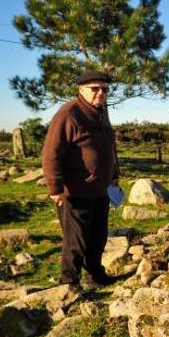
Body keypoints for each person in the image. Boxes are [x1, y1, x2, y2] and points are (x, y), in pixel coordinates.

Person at [41, 70, 120, 288]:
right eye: (95, 89)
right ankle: (68, 284)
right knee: (75, 242)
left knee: (98, 237)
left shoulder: (100, 113)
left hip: (100, 190)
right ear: (81, 90)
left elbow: (108, 149)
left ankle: (95, 276)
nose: (100, 93)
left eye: (104, 89)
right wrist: (55, 188)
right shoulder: (69, 114)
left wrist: (114, 177)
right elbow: (51, 154)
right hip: (75, 192)